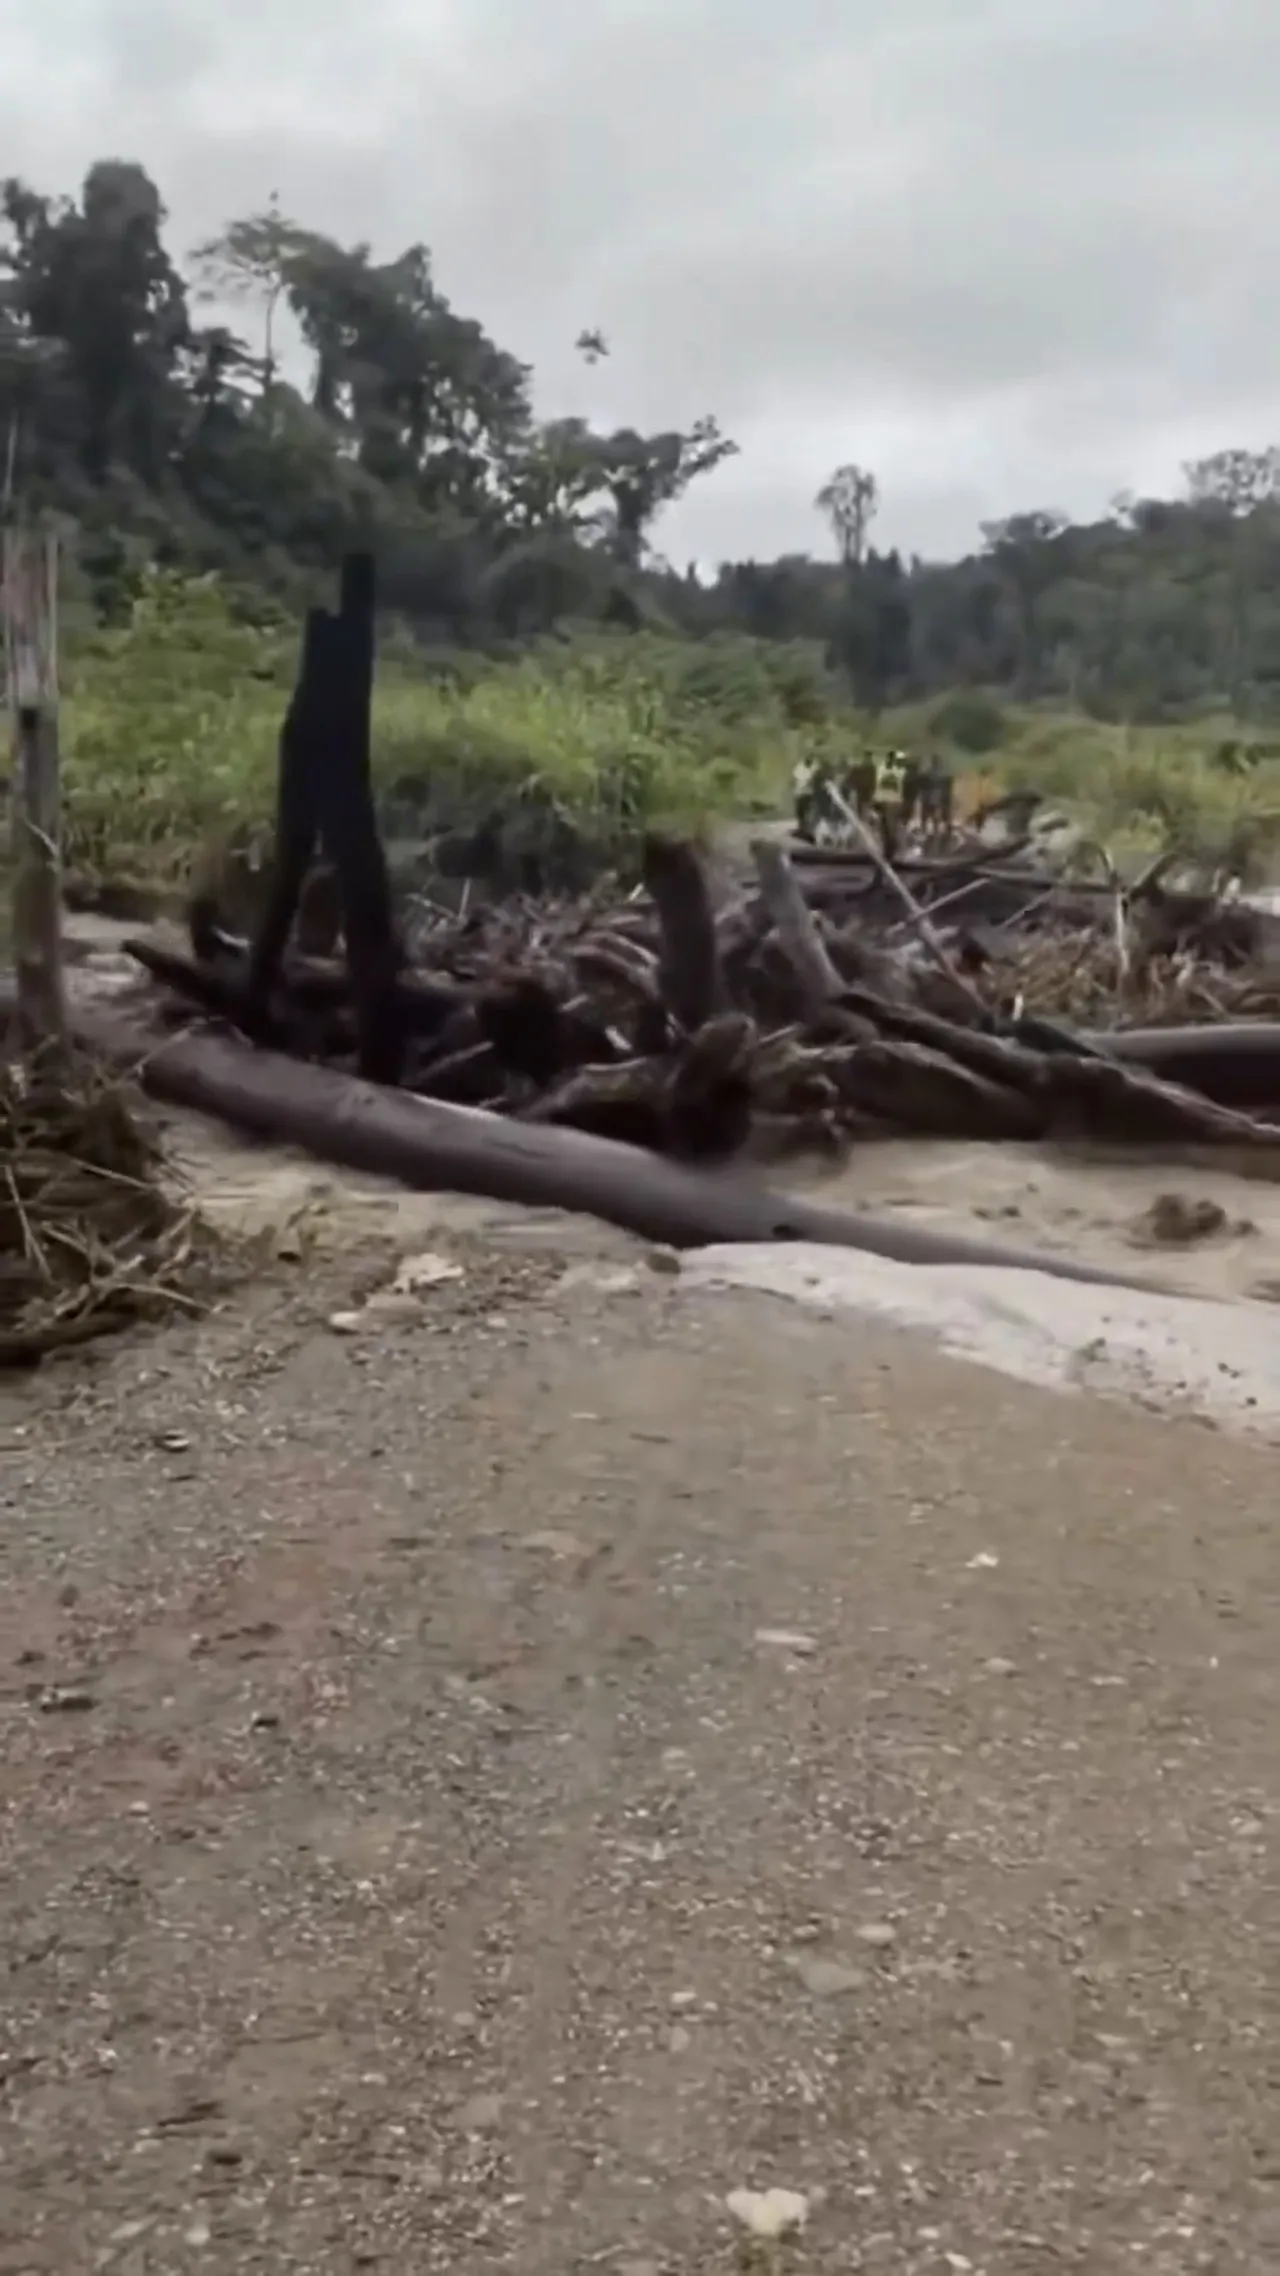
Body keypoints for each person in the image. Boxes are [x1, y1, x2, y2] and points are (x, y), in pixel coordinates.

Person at [873, 749, 907, 860]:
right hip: (883, 800)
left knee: (891, 827)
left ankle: (891, 849)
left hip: (893, 801)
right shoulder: (881, 769)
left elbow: (900, 787)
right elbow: (878, 784)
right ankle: (887, 849)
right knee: (884, 827)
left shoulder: (900, 771)